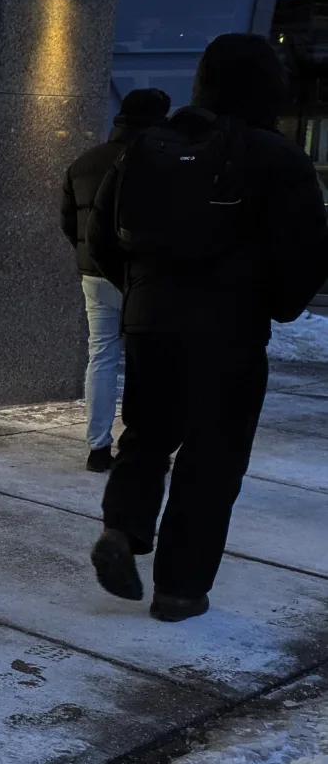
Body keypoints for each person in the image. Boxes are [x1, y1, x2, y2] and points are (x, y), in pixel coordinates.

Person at [86, 33, 328, 622]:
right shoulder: (277, 158)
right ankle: (180, 590)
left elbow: (101, 239)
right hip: (230, 334)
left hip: (149, 324)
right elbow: (304, 257)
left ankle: (123, 529)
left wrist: (144, 292)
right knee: (212, 460)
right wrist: (274, 303)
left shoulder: (148, 147)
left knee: (145, 435)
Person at [61, 88, 172, 472]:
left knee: (101, 355)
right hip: (141, 277)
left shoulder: (83, 163)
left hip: (93, 274)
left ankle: (96, 448)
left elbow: (68, 223)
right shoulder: (158, 162)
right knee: (147, 360)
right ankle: (136, 442)